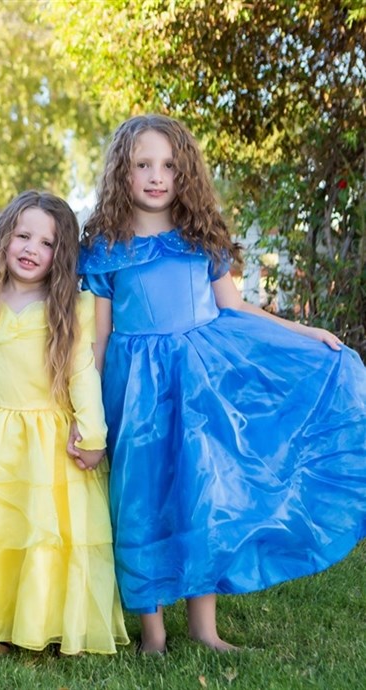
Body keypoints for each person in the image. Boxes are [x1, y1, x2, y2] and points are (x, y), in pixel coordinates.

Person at [77, 114, 366, 654]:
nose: (156, 176)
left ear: (184, 172)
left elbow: (234, 308)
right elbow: (99, 337)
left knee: (201, 495)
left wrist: (305, 331)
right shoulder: (107, 248)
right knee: (140, 499)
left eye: (169, 165)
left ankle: (205, 630)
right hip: (135, 394)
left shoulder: (198, 239)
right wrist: (86, 407)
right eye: (143, 164)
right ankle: (153, 634)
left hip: (197, 389)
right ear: (122, 172)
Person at [0, 191, 129, 658]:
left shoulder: (71, 306)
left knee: (50, 537)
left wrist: (93, 434)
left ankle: (51, 622)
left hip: (51, 442)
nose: (31, 249)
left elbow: (83, 374)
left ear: (60, 254)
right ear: (4, 238)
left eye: (47, 243)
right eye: (23, 236)